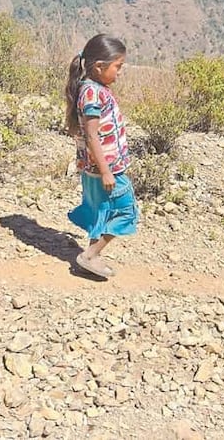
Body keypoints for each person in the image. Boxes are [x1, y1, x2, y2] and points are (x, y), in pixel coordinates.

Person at [64, 34, 139, 279]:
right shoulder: (93, 93)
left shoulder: (92, 89)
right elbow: (92, 135)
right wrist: (106, 170)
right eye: (118, 67)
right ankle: (89, 255)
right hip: (106, 169)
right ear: (99, 66)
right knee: (127, 212)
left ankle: (91, 257)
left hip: (94, 168)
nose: (119, 72)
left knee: (100, 211)